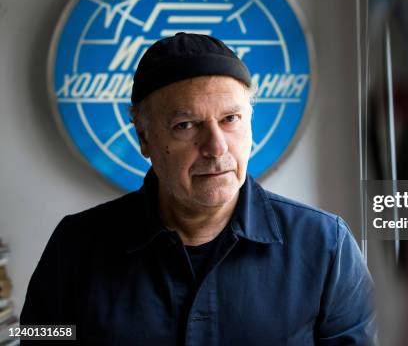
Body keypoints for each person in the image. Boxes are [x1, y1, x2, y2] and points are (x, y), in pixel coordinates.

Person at [21, 33, 376, 345]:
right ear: (145, 138)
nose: (216, 147)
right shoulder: (76, 246)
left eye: (230, 119)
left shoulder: (326, 246)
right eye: (186, 124)